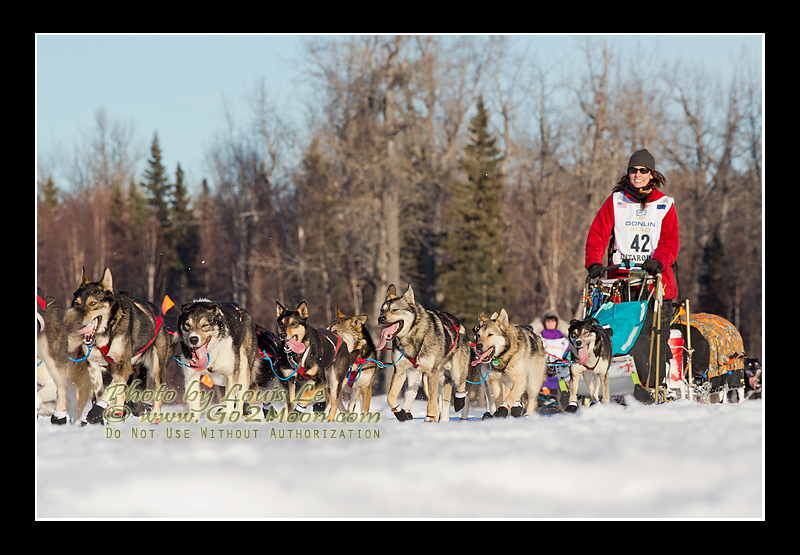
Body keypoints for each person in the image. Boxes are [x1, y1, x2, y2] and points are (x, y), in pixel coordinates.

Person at [584, 149, 679, 389]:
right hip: (621, 282)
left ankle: (653, 383)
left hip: (655, 282)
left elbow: (670, 241)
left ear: (651, 174)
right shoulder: (616, 201)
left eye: (642, 171)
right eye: (633, 170)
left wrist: (657, 261)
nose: (637, 174)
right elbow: (598, 233)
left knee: (651, 335)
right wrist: (594, 262)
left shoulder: (665, 204)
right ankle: (615, 383)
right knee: (619, 332)